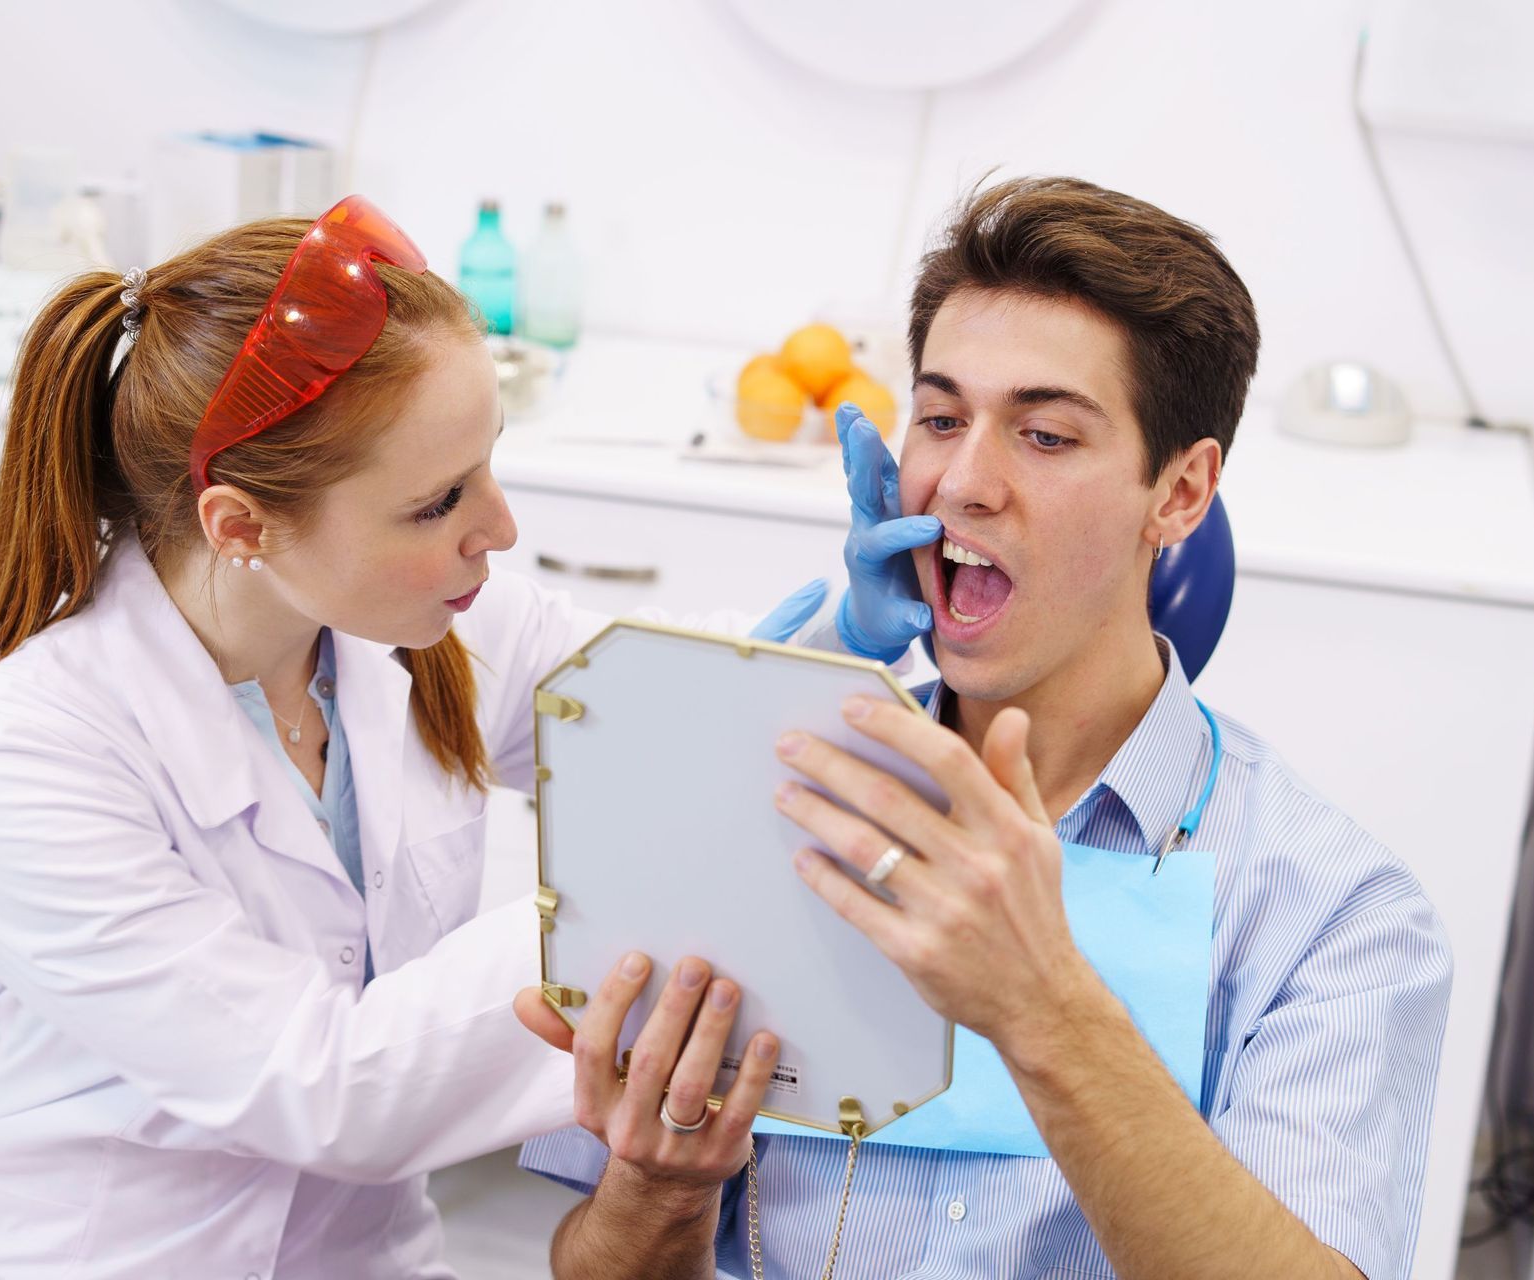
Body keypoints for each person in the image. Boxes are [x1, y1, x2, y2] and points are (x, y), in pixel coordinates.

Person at [0, 198, 936, 1279]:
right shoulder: (23, 748)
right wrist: (635, 904)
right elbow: (324, 1088)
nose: (499, 528)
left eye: (488, 465)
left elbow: (652, 702)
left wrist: (846, 630)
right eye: (437, 502)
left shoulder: (422, 632)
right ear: (242, 525)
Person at [516, 176, 1454, 1280]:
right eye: (943, 417)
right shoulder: (766, 802)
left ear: (1182, 493)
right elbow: (593, 1261)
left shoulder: (1335, 919)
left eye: (1046, 434)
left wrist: (1041, 1002)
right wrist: (657, 1187)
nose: (963, 482)